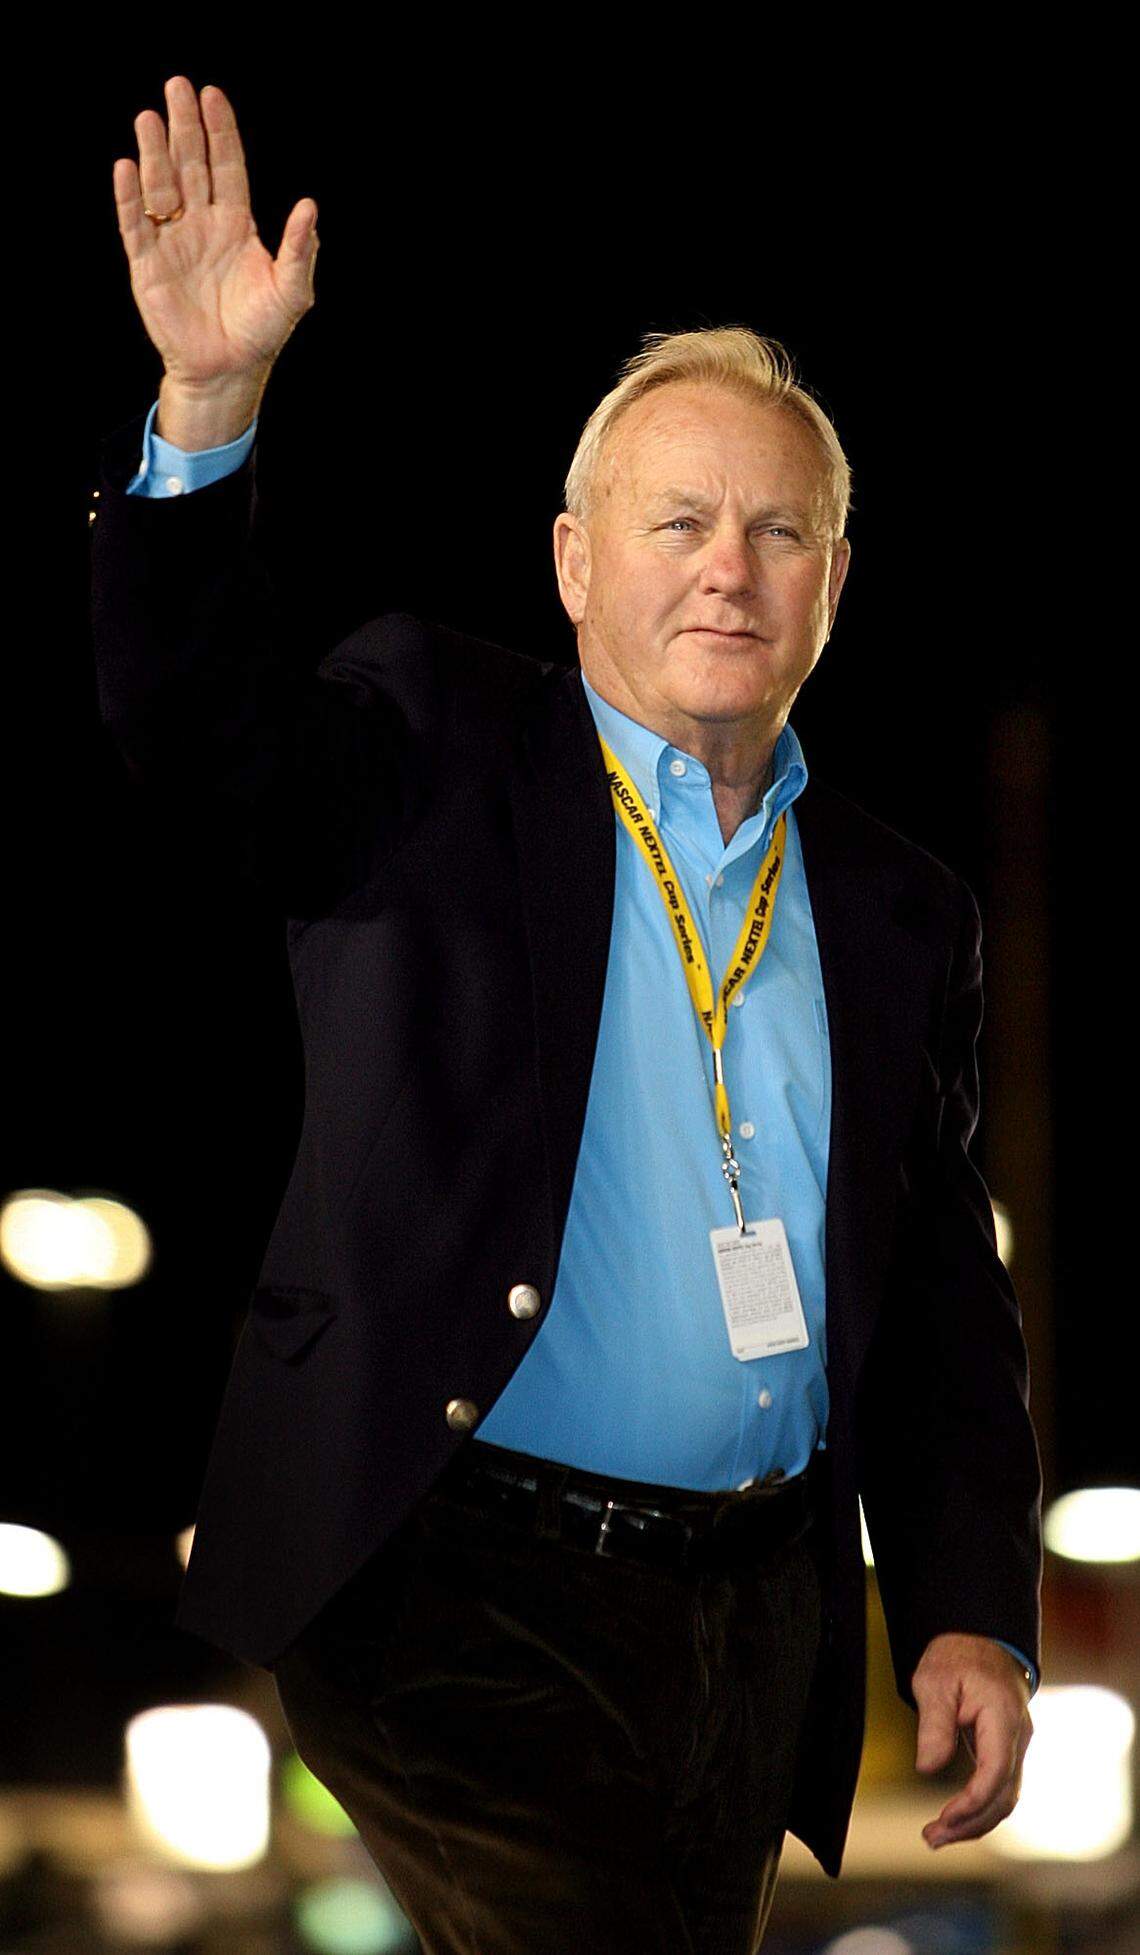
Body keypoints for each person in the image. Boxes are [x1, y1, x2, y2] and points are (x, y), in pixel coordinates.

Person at [90, 74, 1043, 1955]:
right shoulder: (435, 747)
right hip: (452, 1583)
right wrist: (205, 412)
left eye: (779, 532)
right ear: (572, 561)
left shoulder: (899, 906)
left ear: (837, 587)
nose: (728, 566)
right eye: (677, 519)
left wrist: (966, 1608)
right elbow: (201, 737)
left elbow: (942, 1291)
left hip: (750, 1620)